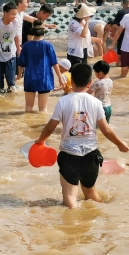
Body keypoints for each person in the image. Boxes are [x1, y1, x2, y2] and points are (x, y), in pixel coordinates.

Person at [34, 63, 129, 209]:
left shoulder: (63, 101)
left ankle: (74, 224)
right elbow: (106, 130)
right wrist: (120, 143)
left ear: (71, 82)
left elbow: (50, 127)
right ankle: (98, 216)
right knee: (90, 193)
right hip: (91, 155)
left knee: (70, 196)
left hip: (69, 155)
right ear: (90, 83)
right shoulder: (96, 102)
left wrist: (40, 141)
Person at [17, 21, 64, 112]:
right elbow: (54, 63)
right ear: (43, 31)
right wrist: (60, 77)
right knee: (43, 109)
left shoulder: (26, 46)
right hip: (44, 79)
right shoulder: (48, 45)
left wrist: (19, 75)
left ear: (32, 31)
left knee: (28, 108)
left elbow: (21, 63)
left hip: (30, 79)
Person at [0, 2, 21, 94]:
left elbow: (16, 36)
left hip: (11, 55)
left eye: (16, 14)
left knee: (11, 84)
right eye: (13, 14)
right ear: (5, 13)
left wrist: (19, 50)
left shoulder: (16, 22)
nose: (15, 16)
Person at [109, 14, 129, 78]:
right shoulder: (126, 17)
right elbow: (118, 32)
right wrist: (112, 45)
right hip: (126, 47)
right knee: (123, 72)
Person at [111, 0, 129, 67]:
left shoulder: (121, 12)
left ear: (123, 4)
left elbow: (115, 26)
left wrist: (113, 33)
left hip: (122, 36)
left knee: (119, 55)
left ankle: (119, 68)